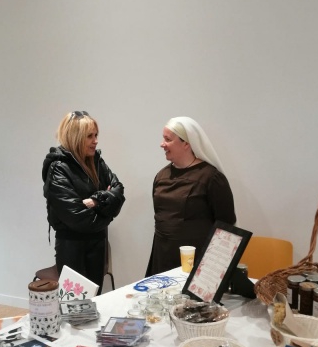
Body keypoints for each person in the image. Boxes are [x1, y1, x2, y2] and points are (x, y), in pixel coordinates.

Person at [42, 111, 125, 293]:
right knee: (75, 305)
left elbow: (119, 192)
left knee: (94, 302)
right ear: (75, 136)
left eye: (96, 135)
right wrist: (107, 209)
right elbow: (78, 217)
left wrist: (95, 201)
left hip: (98, 244)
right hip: (72, 248)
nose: (95, 141)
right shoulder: (58, 168)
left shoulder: (96, 161)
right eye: (89, 136)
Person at [146, 116, 236, 276]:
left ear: (186, 143)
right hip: (162, 257)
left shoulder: (211, 178)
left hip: (196, 262)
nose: (162, 144)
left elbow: (226, 227)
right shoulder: (161, 176)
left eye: (168, 139)